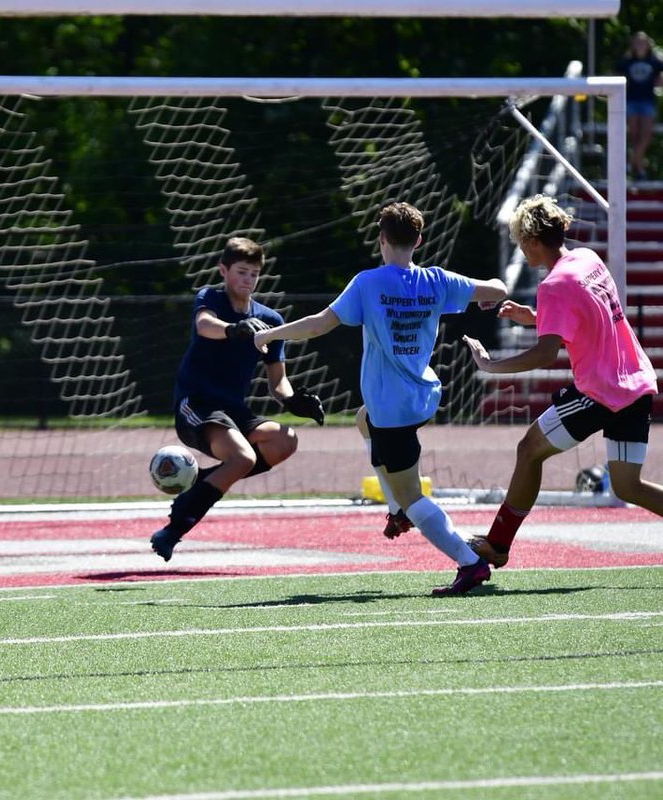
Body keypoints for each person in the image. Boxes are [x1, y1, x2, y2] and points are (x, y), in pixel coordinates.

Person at [254, 202, 508, 596]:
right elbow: (499, 288)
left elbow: (321, 323)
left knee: (413, 496)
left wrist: (271, 335)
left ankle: (469, 561)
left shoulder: (368, 283)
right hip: (420, 396)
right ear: (419, 240)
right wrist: (488, 297)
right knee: (362, 419)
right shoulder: (437, 280)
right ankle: (397, 511)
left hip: (393, 409)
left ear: (382, 238)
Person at [465, 194, 663, 568]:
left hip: (600, 392)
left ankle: (497, 545)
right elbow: (586, 316)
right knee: (627, 486)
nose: (522, 249)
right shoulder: (587, 258)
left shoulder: (553, 284)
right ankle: (498, 544)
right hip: (635, 384)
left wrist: (493, 366)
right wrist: (536, 318)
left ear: (535, 241)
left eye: (523, 242)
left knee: (529, 450)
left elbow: (544, 354)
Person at [149, 236, 325, 562]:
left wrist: (292, 401)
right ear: (223, 270)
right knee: (242, 459)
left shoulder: (271, 322)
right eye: (241, 272)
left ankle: (201, 483)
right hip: (197, 404)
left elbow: (278, 382)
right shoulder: (211, 298)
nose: (248, 280)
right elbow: (205, 326)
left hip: (234, 411)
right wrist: (234, 329)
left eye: (254, 274)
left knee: (285, 440)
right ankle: (175, 528)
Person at [618, 31, 663, 181]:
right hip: (631, 100)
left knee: (646, 134)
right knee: (635, 134)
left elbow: (660, 76)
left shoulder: (654, 61)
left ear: (648, 44)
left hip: (647, 101)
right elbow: (617, 76)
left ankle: (631, 163)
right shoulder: (627, 61)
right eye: (637, 42)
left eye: (643, 42)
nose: (640, 45)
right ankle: (640, 168)